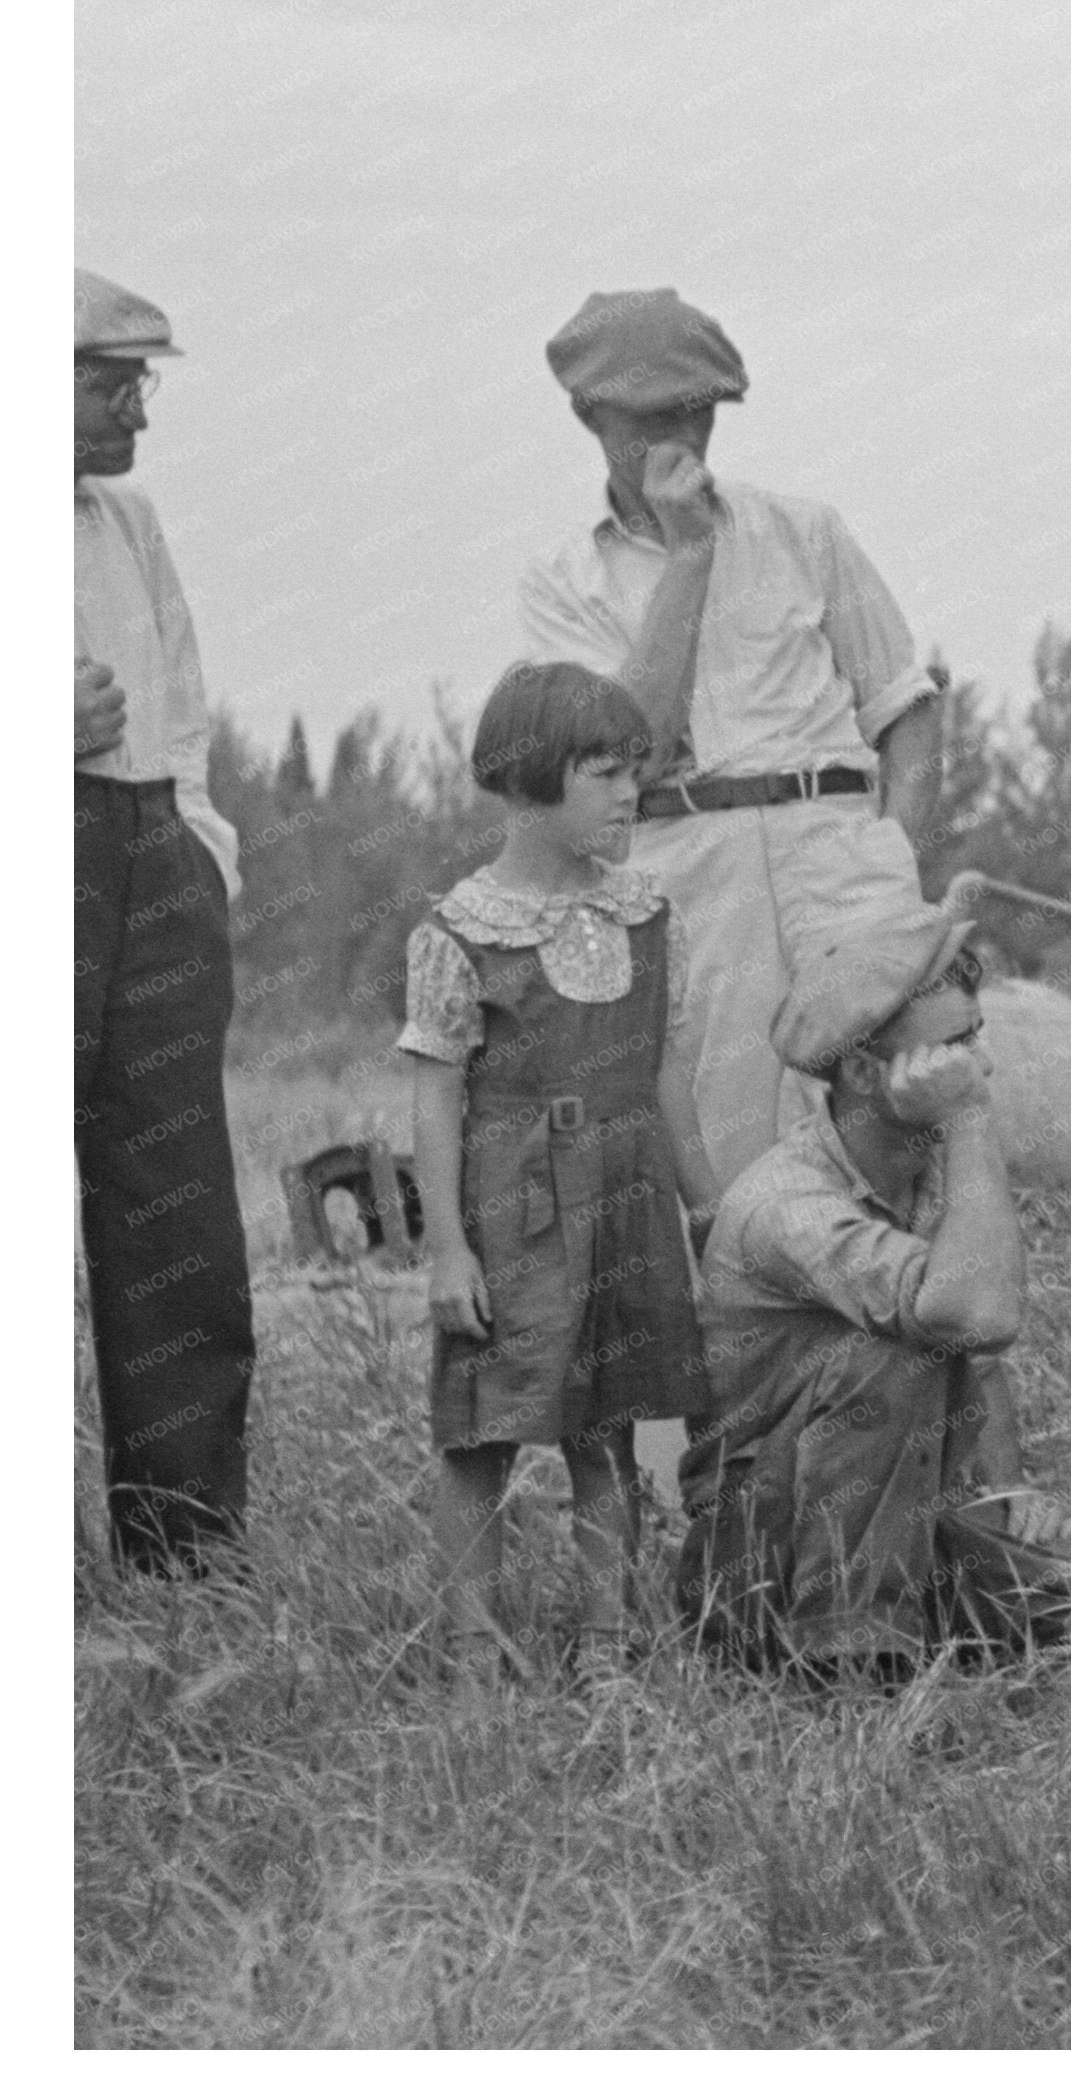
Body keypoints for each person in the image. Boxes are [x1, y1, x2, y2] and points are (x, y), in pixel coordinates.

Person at [517, 287, 944, 1228]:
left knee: (905, 1131)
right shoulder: (564, 581)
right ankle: (766, 1369)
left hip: (839, 859)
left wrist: (893, 865)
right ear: (588, 414)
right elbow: (629, 747)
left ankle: (915, 1362)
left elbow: (906, 712)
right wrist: (692, 556)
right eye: (653, 414)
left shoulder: (807, 532)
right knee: (740, 1166)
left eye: (700, 409)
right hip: (693, 881)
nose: (683, 434)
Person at [673, 898, 1071, 1679]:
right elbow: (974, 1312)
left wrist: (1008, 1493)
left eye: (975, 1039)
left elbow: (984, 1356)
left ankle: (911, 1627)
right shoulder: (784, 1205)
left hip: (906, 1519)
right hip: (759, 1558)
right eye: (954, 1047)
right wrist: (967, 1119)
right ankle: (853, 1669)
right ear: (863, 1072)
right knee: (895, 1351)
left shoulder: (930, 1171)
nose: (980, 1067)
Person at [399, 662, 712, 1680]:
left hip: (626, 1193)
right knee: (480, 1429)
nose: (631, 793)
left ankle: (606, 1645)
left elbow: (661, 1065)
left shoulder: (643, 912)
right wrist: (447, 1249)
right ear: (531, 778)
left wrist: (704, 1202)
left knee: (608, 1425)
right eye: (604, 772)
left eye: (636, 771)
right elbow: (437, 1095)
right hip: (516, 1203)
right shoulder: (461, 928)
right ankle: (472, 1656)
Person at [73, 269, 255, 1575]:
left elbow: (179, 707)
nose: (135, 404)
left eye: (143, 378)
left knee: (174, 1220)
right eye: (105, 378)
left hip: (148, 861)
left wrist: (199, 850)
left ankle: (183, 1548)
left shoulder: (127, 525)